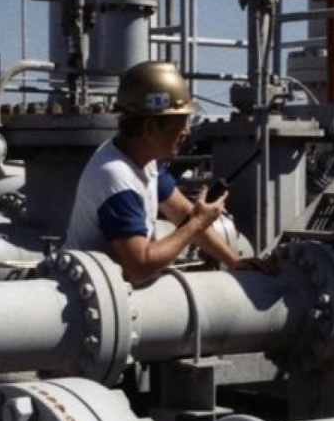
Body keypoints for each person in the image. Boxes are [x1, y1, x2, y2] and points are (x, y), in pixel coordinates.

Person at [65, 59, 248, 286]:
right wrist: (197, 223)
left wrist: (234, 261)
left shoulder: (144, 162)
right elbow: (138, 268)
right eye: (181, 121)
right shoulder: (116, 176)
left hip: (111, 290)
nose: (187, 131)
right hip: (92, 292)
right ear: (151, 126)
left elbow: (182, 212)